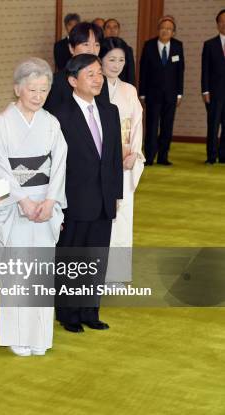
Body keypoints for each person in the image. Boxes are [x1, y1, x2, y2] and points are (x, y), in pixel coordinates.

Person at [0, 57, 67, 356]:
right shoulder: (3, 123)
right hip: (17, 203)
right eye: (32, 89)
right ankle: (18, 336)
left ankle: (39, 336)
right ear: (17, 88)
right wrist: (23, 200)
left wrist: (51, 200)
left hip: (44, 203)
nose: (38, 96)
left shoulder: (51, 122)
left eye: (44, 90)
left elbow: (59, 164)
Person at [50, 54, 123, 333]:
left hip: (103, 199)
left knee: (96, 257)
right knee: (71, 257)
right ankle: (68, 314)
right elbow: (55, 163)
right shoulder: (59, 115)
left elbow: (113, 156)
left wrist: (114, 194)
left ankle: (90, 311)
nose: (98, 79)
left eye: (99, 73)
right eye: (90, 74)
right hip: (74, 200)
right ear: (72, 80)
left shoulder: (110, 111)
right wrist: (58, 203)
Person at [100, 37, 145, 283]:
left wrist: (134, 154)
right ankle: (95, 272)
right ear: (101, 60)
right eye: (111, 59)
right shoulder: (93, 88)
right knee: (101, 216)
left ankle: (116, 275)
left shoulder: (129, 90)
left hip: (125, 158)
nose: (116, 65)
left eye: (121, 60)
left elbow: (136, 124)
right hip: (100, 159)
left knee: (123, 215)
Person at [139, 15, 185, 166]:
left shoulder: (178, 46)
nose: (165, 31)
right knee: (151, 126)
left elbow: (180, 71)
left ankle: (163, 157)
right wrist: (142, 93)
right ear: (158, 30)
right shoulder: (149, 45)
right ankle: (150, 157)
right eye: (163, 28)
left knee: (167, 126)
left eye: (169, 29)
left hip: (171, 94)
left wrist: (179, 93)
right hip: (152, 94)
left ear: (173, 32)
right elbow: (143, 70)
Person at [44, 21, 108, 113]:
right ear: (71, 48)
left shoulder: (101, 80)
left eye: (97, 45)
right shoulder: (56, 82)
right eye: (86, 44)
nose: (92, 50)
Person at [201, 9, 225, 164]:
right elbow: (205, 70)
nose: (224, 24)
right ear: (217, 24)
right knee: (213, 125)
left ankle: (223, 156)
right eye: (221, 21)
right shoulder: (209, 44)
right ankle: (211, 156)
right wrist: (205, 90)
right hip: (214, 92)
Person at [103, 18, 136, 85]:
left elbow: (130, 74)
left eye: (115, 27)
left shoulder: (127, 49)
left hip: (121, 85)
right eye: (108, 27)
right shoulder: (99, 48)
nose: (112, 30)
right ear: (104, 30)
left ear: (119, 30)